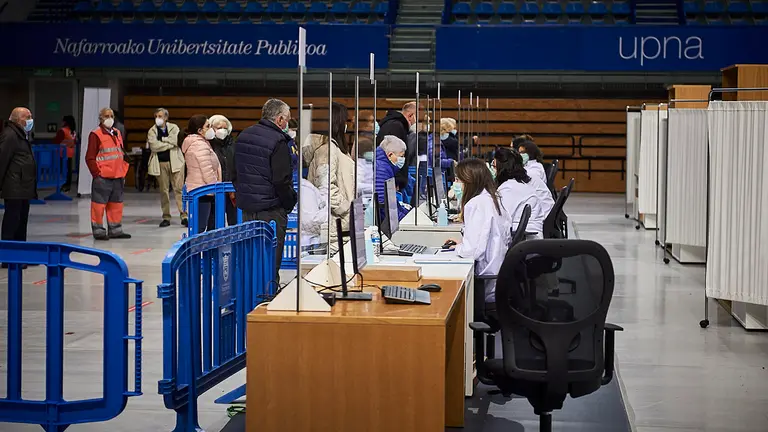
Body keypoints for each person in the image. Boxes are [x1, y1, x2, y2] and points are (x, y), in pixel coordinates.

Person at [233, 98, 297, 281]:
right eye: (287, 120)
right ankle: (268, 300)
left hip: (247, 210)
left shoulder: (243, 135)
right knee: (269, 262)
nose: (287, 124)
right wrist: (290, 202)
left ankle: (249, 302)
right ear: (279, 120)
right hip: (271, 211)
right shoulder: (279, 141)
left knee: (250, 261)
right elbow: (281, 180)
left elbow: (234, 172)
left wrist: (244, 196)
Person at [447, 158, 511, 303]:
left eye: (458, 180)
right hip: (498, 277)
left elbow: (472, 251)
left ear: (469, 181)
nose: (456, 185)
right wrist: (461, 245)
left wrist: (459, 249)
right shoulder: (491, 198)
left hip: (484, 283)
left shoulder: (476, 204)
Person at [303, 102, 355, 251]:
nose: (348, 124)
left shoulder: (335, 148)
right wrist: (346, 208)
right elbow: (326, 188)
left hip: (341, 225)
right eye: (346, 120)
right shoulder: (328, 150)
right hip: (334, 226)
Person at [85, 107, 131, 240]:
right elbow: (90, 157)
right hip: (103, 177)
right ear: (100, 118)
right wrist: (97, 173)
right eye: (106, 116)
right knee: (98, 206)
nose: (109, 118)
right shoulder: (96, 134)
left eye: (111, 115)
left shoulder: (116, 132)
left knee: (116, 205)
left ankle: (115, 230)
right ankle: (99, 231)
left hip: (117, 175)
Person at [0, 107, 36, 251]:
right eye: (27, 117)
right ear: (17, 119)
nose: (30, 120)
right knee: (12, 221)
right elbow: (2, 160)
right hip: (14, 187)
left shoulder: (21, 134)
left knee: (21, 222)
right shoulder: (9, 135)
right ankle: (8, 255)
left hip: (22, 187)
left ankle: (21, 254)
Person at [493, 147, 549, 236]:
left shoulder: (509, 189)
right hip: (528, 238)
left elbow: (500, 220)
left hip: (525, 242)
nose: (493, 171)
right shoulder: (518, 184)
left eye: (494, 166)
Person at [147, 108, 187, 228]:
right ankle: (166, 216)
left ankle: (184, 215)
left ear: (166, 117)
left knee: (179, 189)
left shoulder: (174, 128)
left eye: (160, 116)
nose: (158, 118)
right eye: (156, 116)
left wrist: (163, 140)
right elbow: (154, 146)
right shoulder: (152, 131)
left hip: (176, 162)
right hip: (160, 163)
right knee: (163, 191)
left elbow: (176, 141)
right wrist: (169, 144)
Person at [182, 115, 221, 234]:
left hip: (201, 189)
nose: (211, 129)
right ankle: (193, 252)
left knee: (205, 227)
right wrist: (215, 187)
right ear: (199, 130)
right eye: (208, 126)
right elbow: (207, 170)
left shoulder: (199, 142)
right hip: (204, 190)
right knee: (200, 228)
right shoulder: (199, 145)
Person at [377, 101, 416, 190]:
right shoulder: (396, 126)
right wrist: (397, 181)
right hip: (392, 182)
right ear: (410, 116)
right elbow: (393, 154)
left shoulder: (396, 125)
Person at [209, 114, 238, 227]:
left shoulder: (233, 144)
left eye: (225, 128)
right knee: (214, 222)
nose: (222, 130)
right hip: (215, 189)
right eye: (219, 127)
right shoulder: (209, 145)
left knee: (234, 221)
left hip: (232, 190)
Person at [375, 135, 409, 221]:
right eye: (401, 156)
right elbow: (383, 202)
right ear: (390, 155)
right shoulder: (381, 169)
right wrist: (403, 220)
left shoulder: (385, 167)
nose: (403, 159)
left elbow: (392, 202)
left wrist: (407, 215)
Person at [299, 177, 328, 248]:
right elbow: (311, 219)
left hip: (306, 239)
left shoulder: (306, 187)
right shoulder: (306, 189)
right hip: (308, 240)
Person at [54, 115, 77, 192]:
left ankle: (62, 184)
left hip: (62, 154)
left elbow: (56, 141)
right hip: (70, 153)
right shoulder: (73, 132)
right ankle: (67, 185)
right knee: (68, 170)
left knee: (61, 170)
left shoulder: (63, 131)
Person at [355, 136, 375, 205]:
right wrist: (374, 187)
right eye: (370, 150)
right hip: (363, 200)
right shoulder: (358, 165)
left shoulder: (372, 163)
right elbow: (357, 186)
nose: (372, 152)